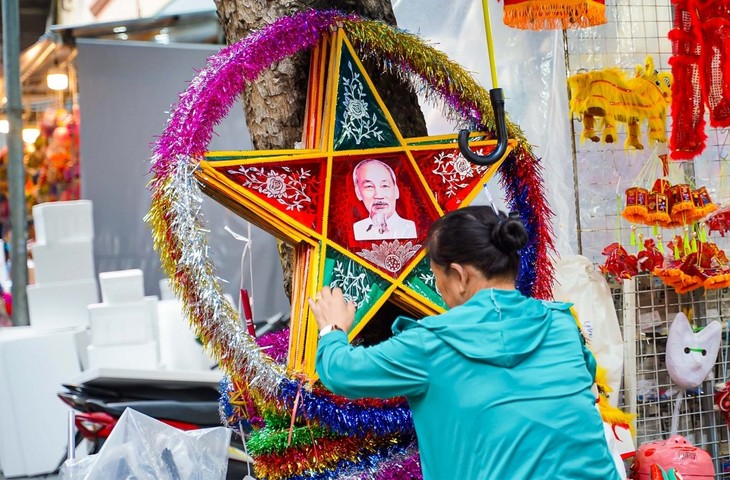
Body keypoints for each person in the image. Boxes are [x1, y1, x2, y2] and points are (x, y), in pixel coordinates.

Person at [310, 205, 620, 480]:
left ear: (459, 275)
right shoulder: (561, 323)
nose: (438, 290)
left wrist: (332, 328)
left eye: (436, 277)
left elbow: (344, 372)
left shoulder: (430, 343)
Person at [352, 159, 417, 241]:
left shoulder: (409, 228)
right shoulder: (357, 230)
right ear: (358, 193)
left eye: (384, 186)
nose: (378, 195)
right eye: (369, 187)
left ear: (396, 191)